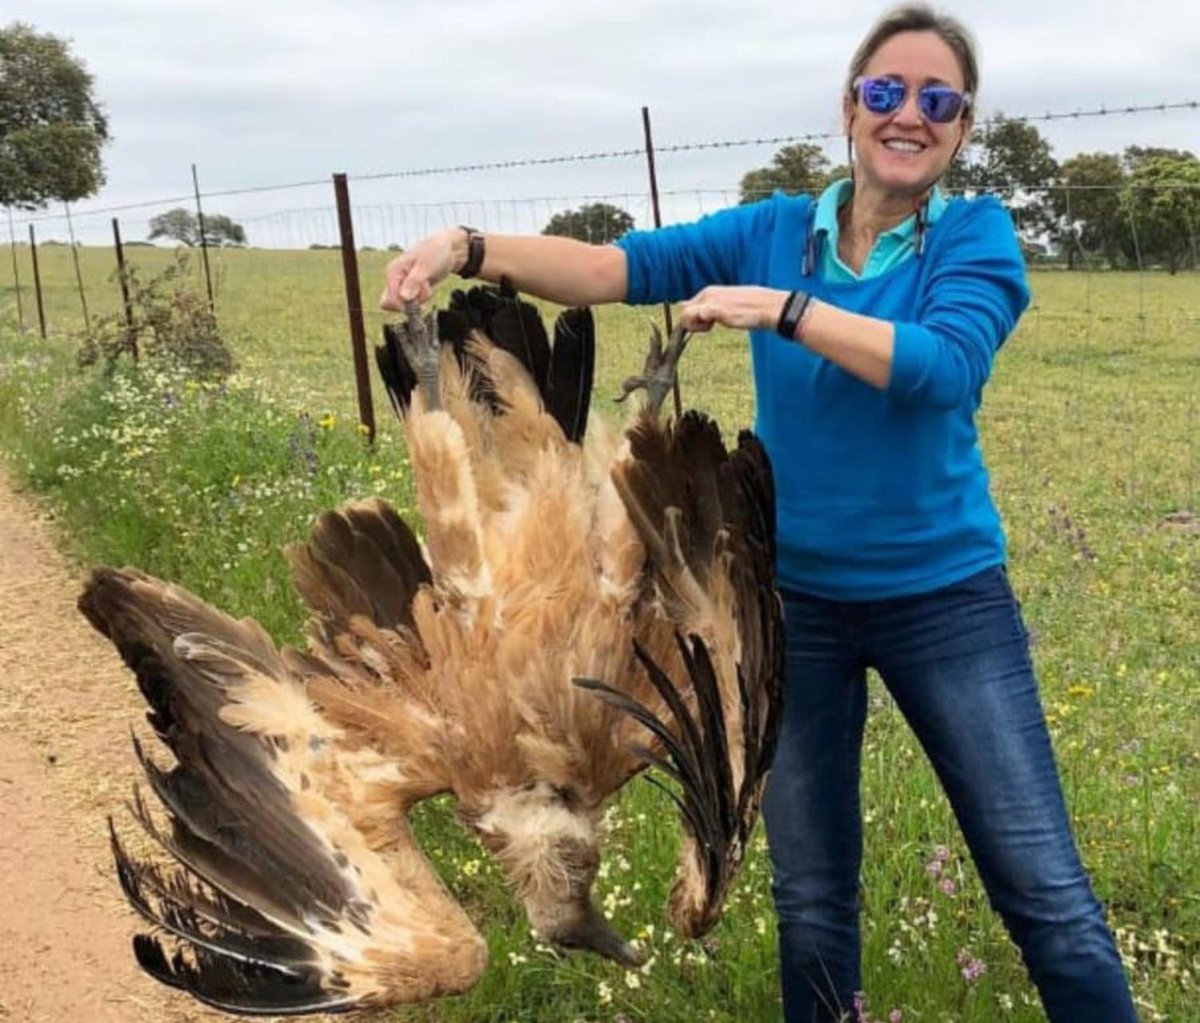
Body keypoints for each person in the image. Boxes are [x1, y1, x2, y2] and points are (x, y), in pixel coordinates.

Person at [379, 6, 1138, 1020]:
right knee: (812, 896)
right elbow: (610, 270)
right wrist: (463, 245)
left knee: (1044, 894)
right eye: (885, 93)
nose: (906, 114)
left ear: (961, 129)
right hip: (788, 614)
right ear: (850, 109)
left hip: (944, 602)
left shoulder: (975, 239)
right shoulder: (777, 229)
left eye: (935, 101)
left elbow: (937, 369)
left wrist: (782, 309)